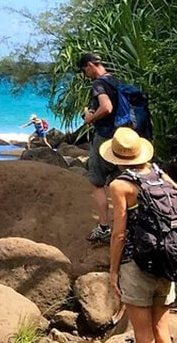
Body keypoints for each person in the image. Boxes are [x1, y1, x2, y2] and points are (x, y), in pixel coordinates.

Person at [104, 127, 177, 343]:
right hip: (167, 260)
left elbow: (118, 235)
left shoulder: (120, 185)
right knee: (161, 330)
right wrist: (169, 231)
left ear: (116, 158)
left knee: (143, 334)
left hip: (136, 265)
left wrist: (112, 272)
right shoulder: (159, 174)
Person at [79, 51, 123, 243]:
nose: (84, 74)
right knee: (121, 182)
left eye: (83, 70)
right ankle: (128, 225)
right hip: (123, 139)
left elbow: (106, 108)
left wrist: (90, 118)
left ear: (90, 65)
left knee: (96, 183)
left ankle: (104, 227)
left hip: (105, 138)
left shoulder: (98, 84)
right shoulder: (115, 81)